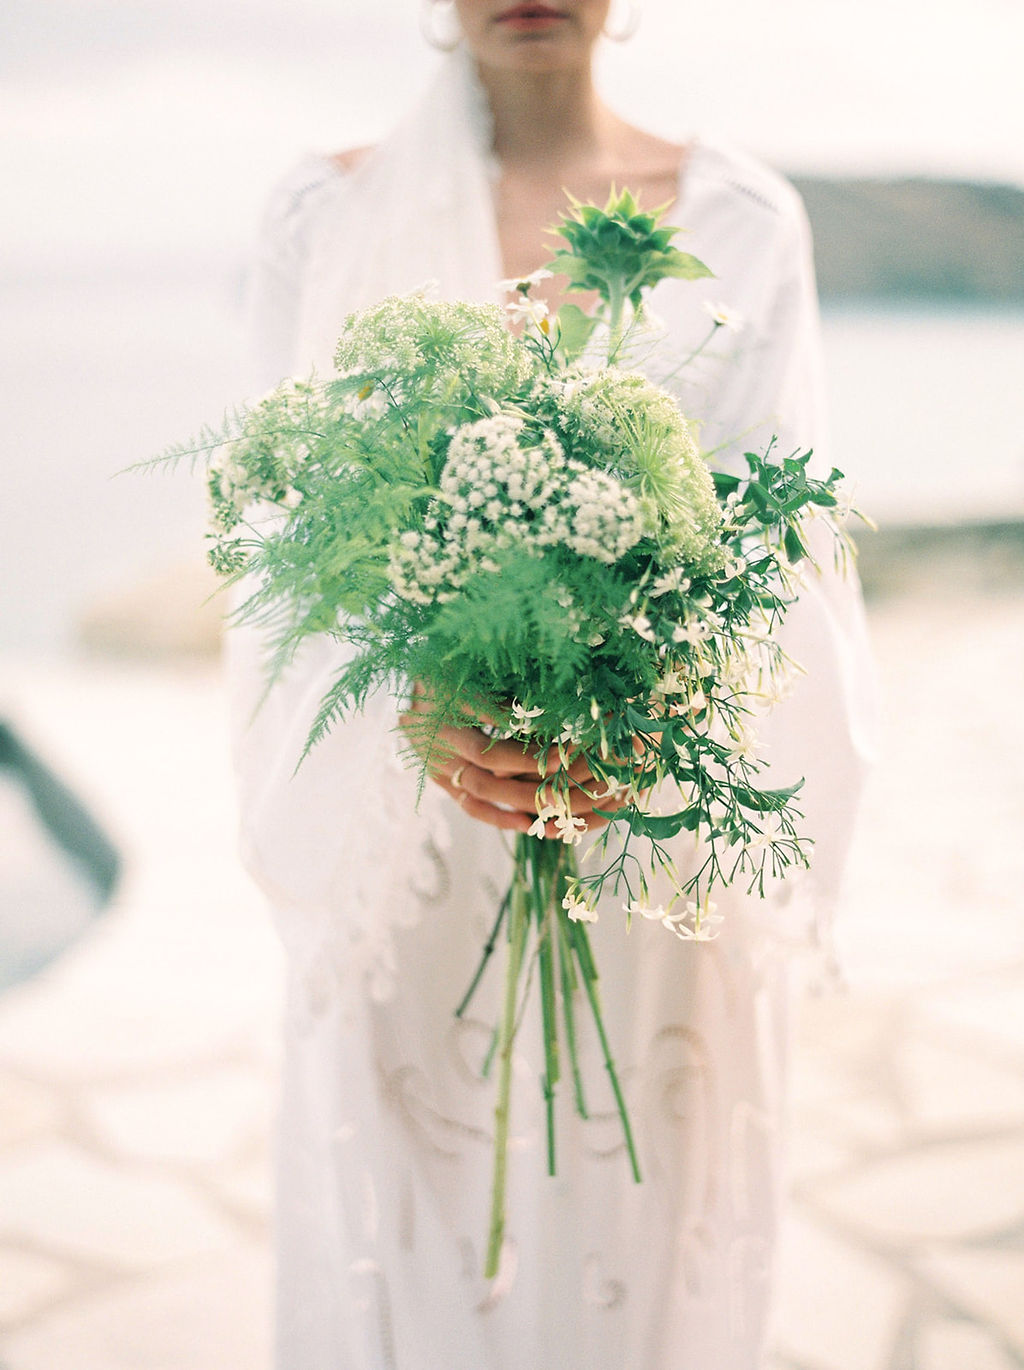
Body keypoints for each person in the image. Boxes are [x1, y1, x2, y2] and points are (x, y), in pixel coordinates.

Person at [227, 3, 877, 1366]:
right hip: (409, 842)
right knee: (421, 1242)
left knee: (620, 1236)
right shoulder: (319, 220)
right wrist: (410, 708)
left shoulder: (745, 223)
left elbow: (786, 554)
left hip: (637, 846)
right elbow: (280, 566)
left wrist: (654, 710)